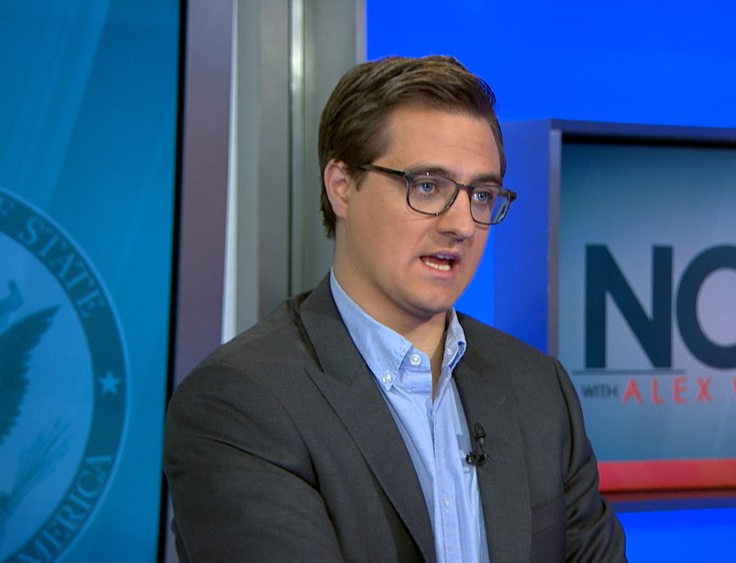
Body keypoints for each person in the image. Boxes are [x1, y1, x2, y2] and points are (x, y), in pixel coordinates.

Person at [163, 55, 626, 562]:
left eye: (481, 195)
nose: (462, 225)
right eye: (427, 186)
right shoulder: (242, 403)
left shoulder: (538, 390)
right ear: (342, 187)